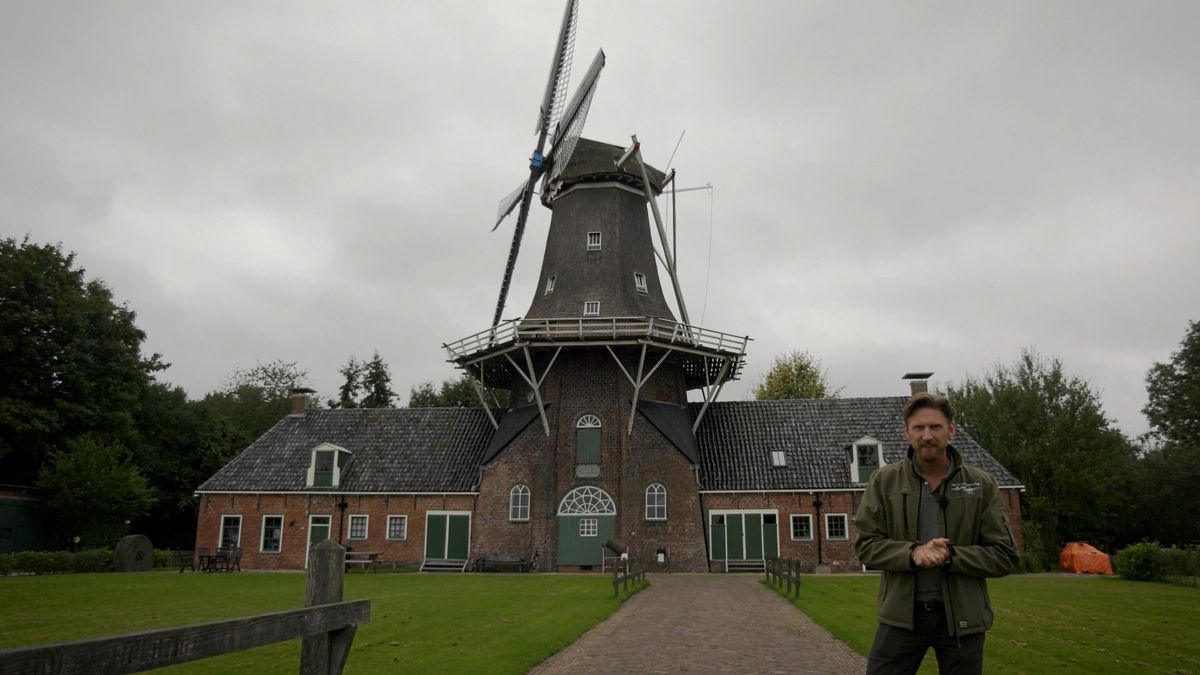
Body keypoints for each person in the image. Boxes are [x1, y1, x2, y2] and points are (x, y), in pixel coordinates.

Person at [854, 392, 1018, 675]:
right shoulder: (884, 481)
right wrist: (913, 553)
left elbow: (1004, 556)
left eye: (935, 427)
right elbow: (866, 545)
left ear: (951, 429)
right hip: (901, 617)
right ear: (906, 432)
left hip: (963, 620)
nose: (927, 436)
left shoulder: (980, 484)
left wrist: (951, 556)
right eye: (919, 428)